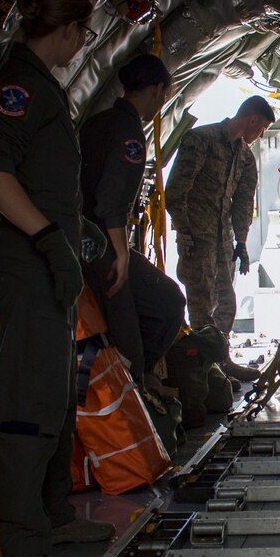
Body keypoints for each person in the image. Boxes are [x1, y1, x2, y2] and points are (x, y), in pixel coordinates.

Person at [0, 0, 115, 557]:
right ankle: (19, 543)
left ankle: (51, 514)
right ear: (64, 29)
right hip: (24, 261)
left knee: (55, 397)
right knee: (27, 404)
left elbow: (44, 180)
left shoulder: (46, 89)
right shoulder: (19, 87)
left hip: (46, 263)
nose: (83, 42)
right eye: (82, 30)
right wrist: (47, 237)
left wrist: (74, 231)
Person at [80, 54, 185, 386]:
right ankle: (135, 388)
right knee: (153, 316)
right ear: (155, 90)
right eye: (164, 95)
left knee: (161, 302)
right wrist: (122, 255)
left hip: (81, 241)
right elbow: (110, 201)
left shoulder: (97, 123)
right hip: (101, 248)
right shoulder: (129, 134)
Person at [164, 96, 274, 381]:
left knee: (226, 304)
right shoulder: (201, 140)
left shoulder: (245, 156)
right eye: (261, 128)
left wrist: (241, 242)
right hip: (196, 238)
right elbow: (176, 190)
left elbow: (243, 202)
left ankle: (220, 362)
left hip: (222, 240)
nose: (260, 135)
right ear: (252, 120)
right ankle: (204, 372)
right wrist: (183, 230)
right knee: (200, 305)